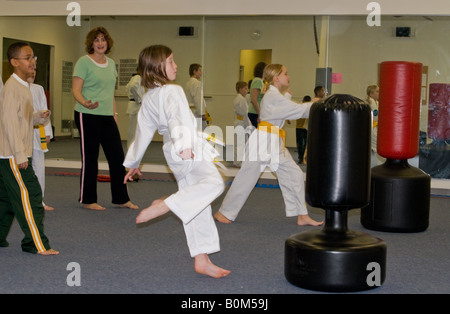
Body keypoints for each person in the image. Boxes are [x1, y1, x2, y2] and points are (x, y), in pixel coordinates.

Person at [124, 45, 230, 279]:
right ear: (156, 66)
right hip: (185, 149)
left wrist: (133, 162)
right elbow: (177, 119)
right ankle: (167, 204)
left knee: (199, 205)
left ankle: (202, 259)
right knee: (214, 184)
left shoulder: (150, 97)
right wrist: (185, 146)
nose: (176, 66)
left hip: (174, 152)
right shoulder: (172, 91)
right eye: (171, 61)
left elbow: (143, 131)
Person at [214, 64, 323, 227]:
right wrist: (316, 104)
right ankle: (224, 212)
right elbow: (298, 110)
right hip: (263, 141)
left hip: (274, 142)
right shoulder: (273, 96)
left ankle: (302, 214)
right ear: (276, 78)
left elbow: (282, 111)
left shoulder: (275, 96)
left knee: (295, 174)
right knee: (247, 177)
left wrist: (286, 96)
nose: (289, 76)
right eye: (286, 73)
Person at [0, 41, 58, 255]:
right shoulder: (11, 88)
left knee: (6, 199)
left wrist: (36, 117)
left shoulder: (23, 87)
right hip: (12, 155)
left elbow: (20, 119)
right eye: (28, 58)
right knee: (31, 195)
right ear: (15, 62)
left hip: (12, 153)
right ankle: (35, 243)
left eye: (33, 57)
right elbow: (8, 123)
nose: (33, 61)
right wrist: (18, 154)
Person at [72, 27, 138, 211]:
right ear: (91, 44)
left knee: (117, 158)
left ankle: (121, 198)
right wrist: (85, 103)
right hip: (86, 115)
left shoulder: (111, 64)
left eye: (103, 40)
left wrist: (114, 114)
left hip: (107, 115)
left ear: (107, 43)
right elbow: (76, 90)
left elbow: (110, 94)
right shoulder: (83, 62)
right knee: (90, 158)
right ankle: (88, 200)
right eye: (96, 40)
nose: (100, 43)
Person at [28, 71, 54, 211]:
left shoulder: (38, 89)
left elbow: (44, 110)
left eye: (35, 69)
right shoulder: (13, 87)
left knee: (38, 167)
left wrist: (48, 132)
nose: (33, 72)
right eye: (30, 68)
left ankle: (39, 201)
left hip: (38, 132)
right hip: (19, 134)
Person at [232, 81, 253, 167]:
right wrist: (249, 126)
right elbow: (245, 114)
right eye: (245, 88)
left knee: (239, 142)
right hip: (241, 122)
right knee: (240, 143)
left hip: (238, 122)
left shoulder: (238, 98)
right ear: (240, 89)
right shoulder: (241, 100)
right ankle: (238, 162)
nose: (247, 90)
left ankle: (237, 161)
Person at [184, 63, 208, 130]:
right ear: (194, 71)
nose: (201, 73)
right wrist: (202, 113)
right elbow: (198, 99)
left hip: (189, 111)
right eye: (200, 70)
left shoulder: (187, 83)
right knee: (199, 132)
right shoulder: (196, 83)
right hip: (196, 112)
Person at [125, 71, 145, 149]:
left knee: (133, 131)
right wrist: (138, 100)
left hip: (134, 105)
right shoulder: (138, 77)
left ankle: (132, 149)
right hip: (135, 106)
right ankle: (131, 150)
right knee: (133, 131)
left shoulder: (134, 78)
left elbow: (127, 88)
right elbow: (133, 87)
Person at [366, 85, 384, 166]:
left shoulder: (377, 102)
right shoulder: (369, 101)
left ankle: (381, 165)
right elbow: (376, 116)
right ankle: (381, 166)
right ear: (371, 93)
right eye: (377, 91)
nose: (379, 93)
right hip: (372, 128)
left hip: (376, 127)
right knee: (377, 147)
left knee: (377, 147)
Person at [248, 62, 266, 128]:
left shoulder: (261, 81)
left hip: (256, 112)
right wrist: (259, 113)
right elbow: (254, 99)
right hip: (255, 112)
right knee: (256, 135)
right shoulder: (258, 80)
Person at [296, 95, 311, 164]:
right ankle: (304, 158)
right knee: (305, 144)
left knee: (300, 144)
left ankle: (301, 158)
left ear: (303, 101)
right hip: (306, 128)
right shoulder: (310, 108)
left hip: (299, 128)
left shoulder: (300, 107)